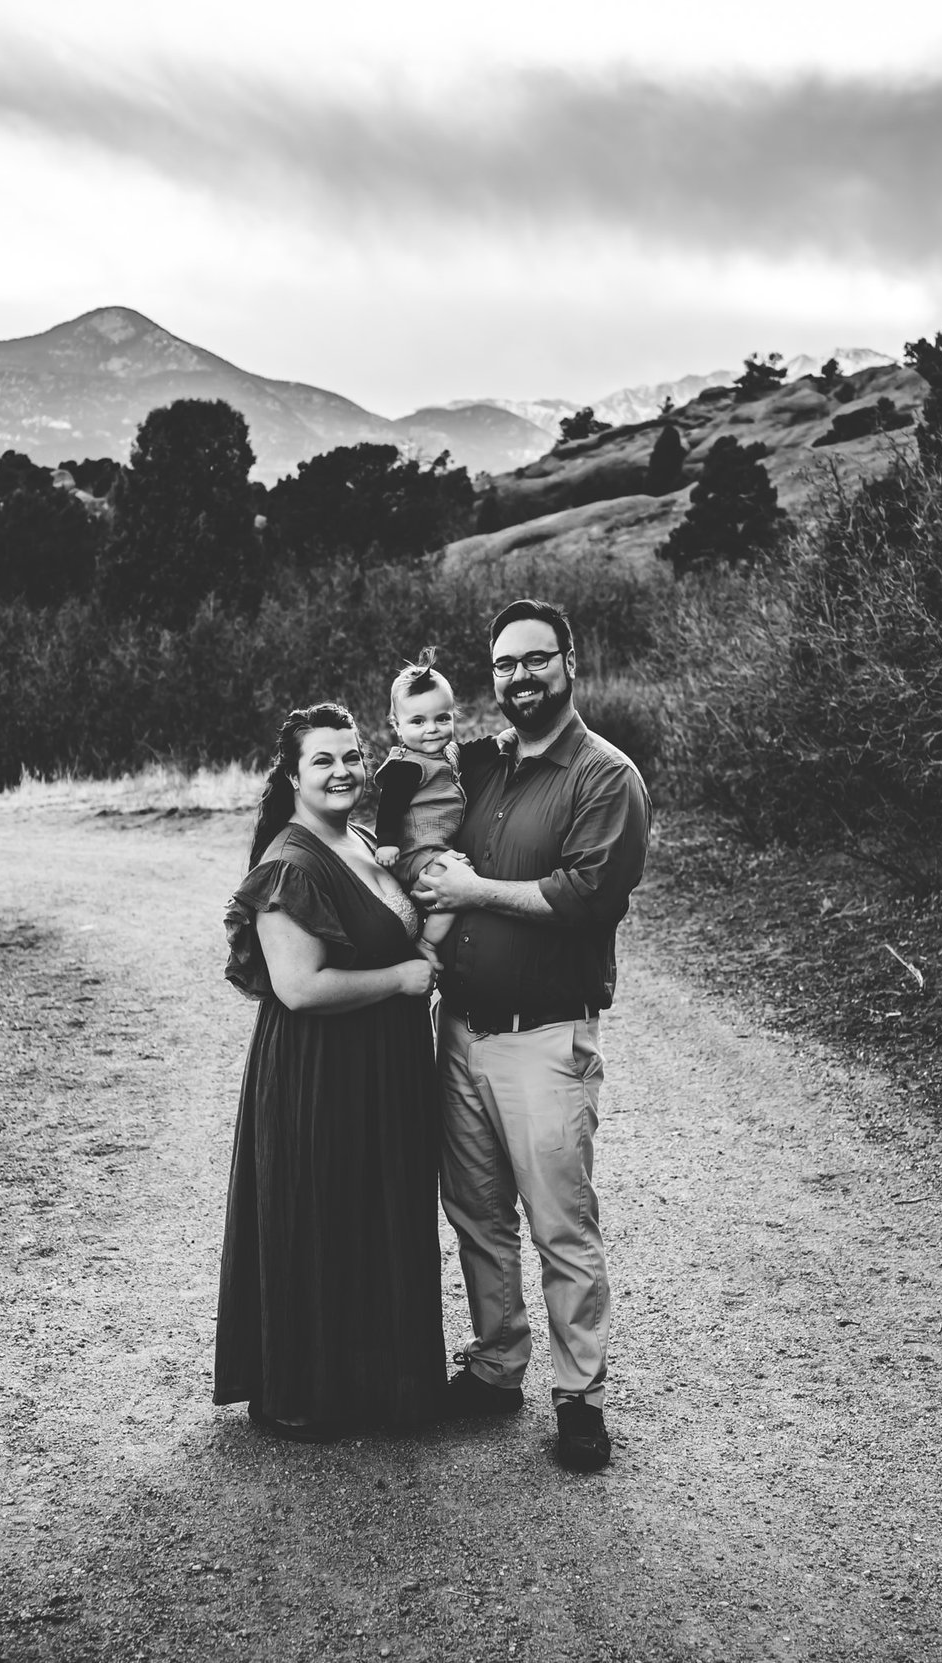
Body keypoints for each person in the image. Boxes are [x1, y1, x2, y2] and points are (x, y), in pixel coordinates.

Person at [414, 599, 651, 1473]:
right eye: (505, 664)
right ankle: (497, 1364)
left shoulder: (604, 775)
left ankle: (580, 1398)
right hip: (461, 1036)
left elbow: (587, 895)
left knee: (561, 1224)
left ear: (570, 663)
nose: (520, 677)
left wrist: (472, 891)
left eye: (535, 660)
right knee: (475, 1213)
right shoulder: (481, 768)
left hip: (546, 1041)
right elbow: (411, 799)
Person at [215, 703, 445, 1440]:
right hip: (321, 1071)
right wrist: (403, 979)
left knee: (374, 1212)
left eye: (352, 755)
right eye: (324, 759)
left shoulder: (362, 841)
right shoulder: (290, 862)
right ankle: (313, 1390)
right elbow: (299, 986)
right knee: (325, 1214)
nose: (344, 770)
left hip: (381, 1066)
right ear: (291, 774)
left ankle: (379, 1382)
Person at [369, 655, 466, 959]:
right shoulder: (407, 767)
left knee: (456, 877)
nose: (432, 729)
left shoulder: (447, 752)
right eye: (418, 722)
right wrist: (385, 842)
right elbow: (390, 805)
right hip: (415, 852)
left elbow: (472, 752)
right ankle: (427, 943)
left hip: (434, 847)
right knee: (457, 881)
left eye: (442, 718)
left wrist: (501, 742)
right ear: (398, 727)